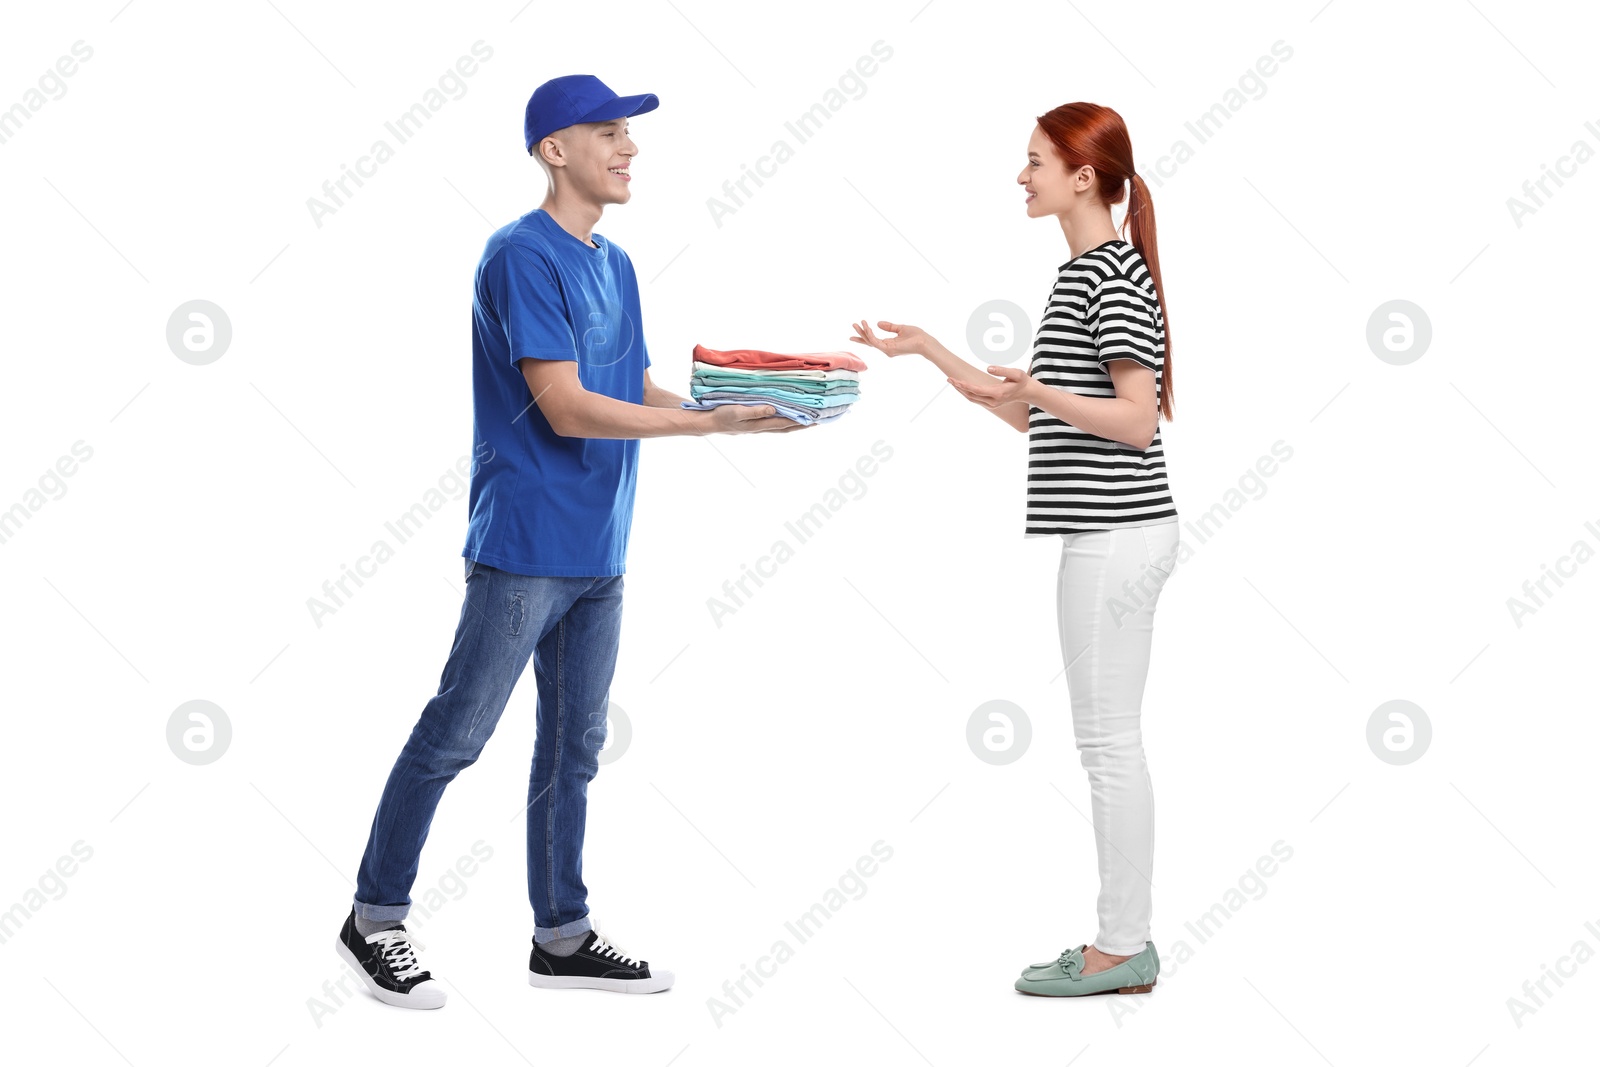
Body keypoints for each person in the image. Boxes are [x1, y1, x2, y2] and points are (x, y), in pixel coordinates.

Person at [334, 73, 809, 1010]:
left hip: (601, 548)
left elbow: (628, 382)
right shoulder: (518, 255)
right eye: (607, 133)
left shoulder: (617, 262)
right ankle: (373, 917)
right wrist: (711, 431)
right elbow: (565, 405)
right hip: (523, 543)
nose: (629, 150)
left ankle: (562, 934)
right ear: (556, 150)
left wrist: (736, 412)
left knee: (574, 749)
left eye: (630, 135)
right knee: (457, 733)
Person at [849, 101, 1179, 997]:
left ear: (1083, 175)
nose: (1020, 175)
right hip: (1103, 532)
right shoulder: (1079, 274)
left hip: (1117, 536)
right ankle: (1123, 940)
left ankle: (1123, 945)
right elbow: (1034, 416)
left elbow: (1136, 420)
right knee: (1108, 742)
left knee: (1109, 745)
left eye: (1034, 160)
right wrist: (930, 353)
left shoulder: (1112, 274)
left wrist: (1038, 392)